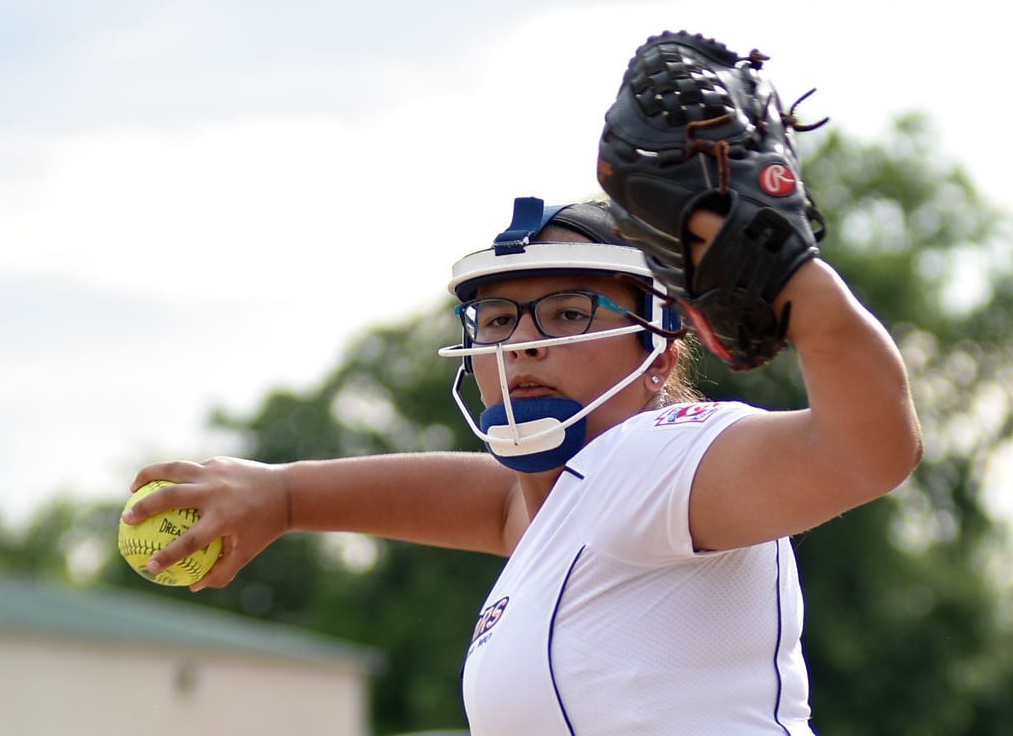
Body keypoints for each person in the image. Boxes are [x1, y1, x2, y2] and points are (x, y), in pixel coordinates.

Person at [124, 194, 922, 735]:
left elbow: (866, 451)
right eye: (499, 318)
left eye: (569, 313)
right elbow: (491, 499)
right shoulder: (565, 506)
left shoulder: (659, 453)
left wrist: (788, 272)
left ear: (659, 347)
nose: (522, 341)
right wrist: (288, 495)